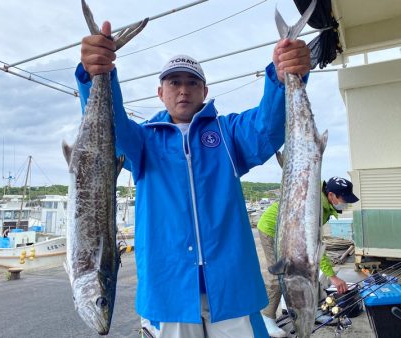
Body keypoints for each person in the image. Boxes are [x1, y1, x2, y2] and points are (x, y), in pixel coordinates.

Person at [77, 20, 310, 338]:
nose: (183, 89)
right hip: (168, 288)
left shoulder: (229, 134)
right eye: (174, 82)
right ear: (160, 92)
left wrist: (282, 80)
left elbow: (268, 127)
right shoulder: (143, 142)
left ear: (205, 91)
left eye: (191, 82)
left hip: (232, 287)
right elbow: (111, 128)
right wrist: (95, 75)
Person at [257, 176, 360, 337]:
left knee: (310, 271)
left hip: (293, 234)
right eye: (343, 198)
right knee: (279, 274)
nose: (346, 203)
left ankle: (314, 310)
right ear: (331, 195)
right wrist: (332, 277)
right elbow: (316, 245)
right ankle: (267, 318)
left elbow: (314, 246)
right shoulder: (315, 206)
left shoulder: (325, 205)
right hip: (273, 229)